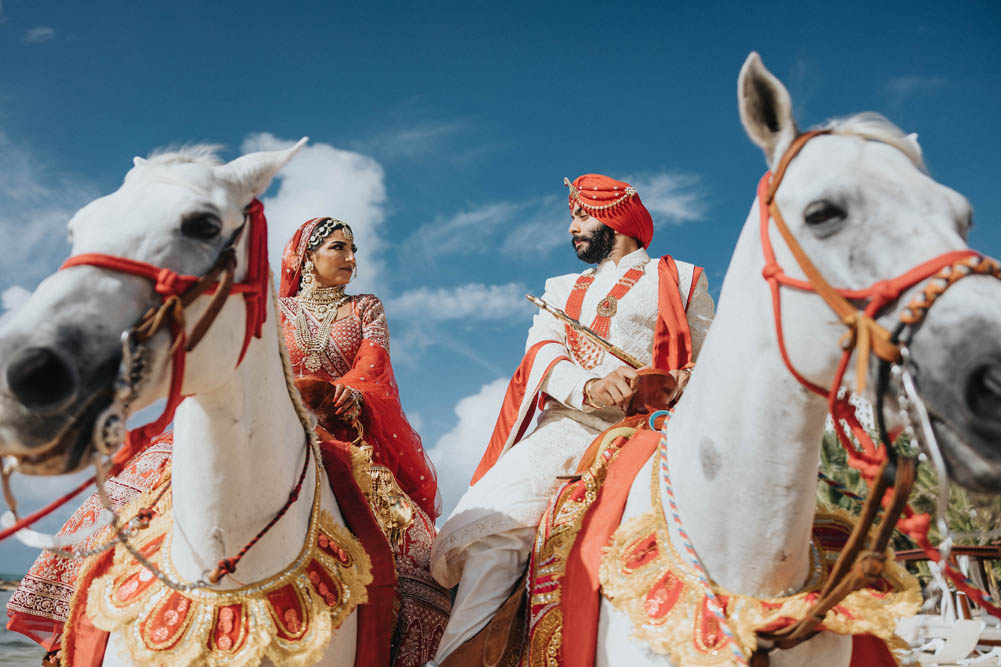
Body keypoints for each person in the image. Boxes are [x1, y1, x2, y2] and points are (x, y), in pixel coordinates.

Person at [7, 216, 450, 667]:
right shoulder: (276, 310)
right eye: (339, 248)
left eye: (354, 251)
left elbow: (375, 367)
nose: (352, 260)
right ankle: (75, 622)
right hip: (269, 417)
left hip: (335, 426)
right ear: (306, 257)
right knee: (132, 488)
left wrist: (344, 392)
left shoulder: (364, 308)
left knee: (409, 543)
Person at [427, 174, 715, 664]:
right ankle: (462, 656)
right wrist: (590, 386)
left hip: (655, 429)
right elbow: (542, 350)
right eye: (573, 217)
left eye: (581, 215)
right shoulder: (560, 289)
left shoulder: (683, 278)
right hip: (570, 425)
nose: (572, 228)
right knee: (498, 520)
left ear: (614, 218)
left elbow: (712, 359)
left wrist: (675, 382)